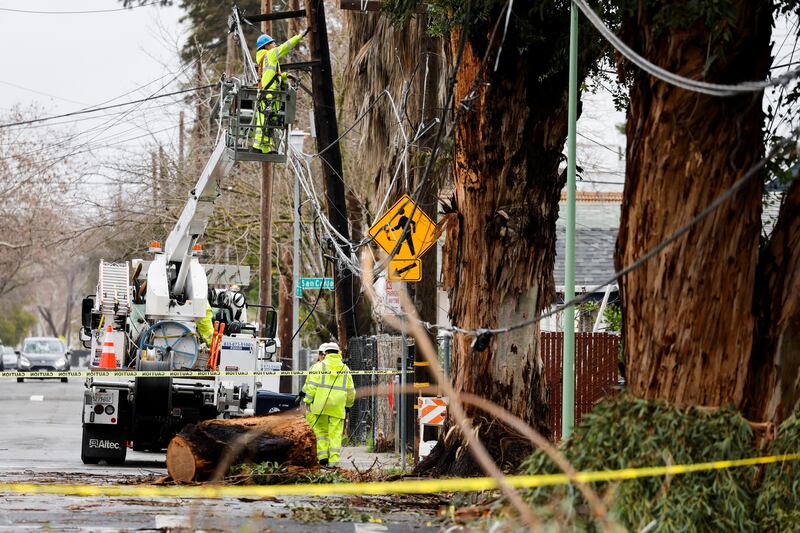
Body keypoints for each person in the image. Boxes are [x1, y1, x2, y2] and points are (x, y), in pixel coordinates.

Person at [252, 29, 308, 154]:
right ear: (266, 46)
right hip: (270, 94)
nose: (274, 45)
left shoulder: (263, 59)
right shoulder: (270, 54)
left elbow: (271, 75)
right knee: (265, 121)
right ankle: (257, 146)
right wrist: (299, 36)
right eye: (272, 43)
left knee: (268, 121)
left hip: (269, 93)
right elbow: (285, 47)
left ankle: (265, 148)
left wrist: (284, 76)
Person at [302, 341, 355, 467]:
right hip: (337, 408)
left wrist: (307, 402)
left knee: (321, 432)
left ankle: (323, 458)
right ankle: (333, 462)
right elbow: (351, 391)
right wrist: (348, 405)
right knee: (335, 435)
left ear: (325, 354)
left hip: (319, 407)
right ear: (339, 353)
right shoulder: (345, 369)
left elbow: (311, 387)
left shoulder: (318, 367)